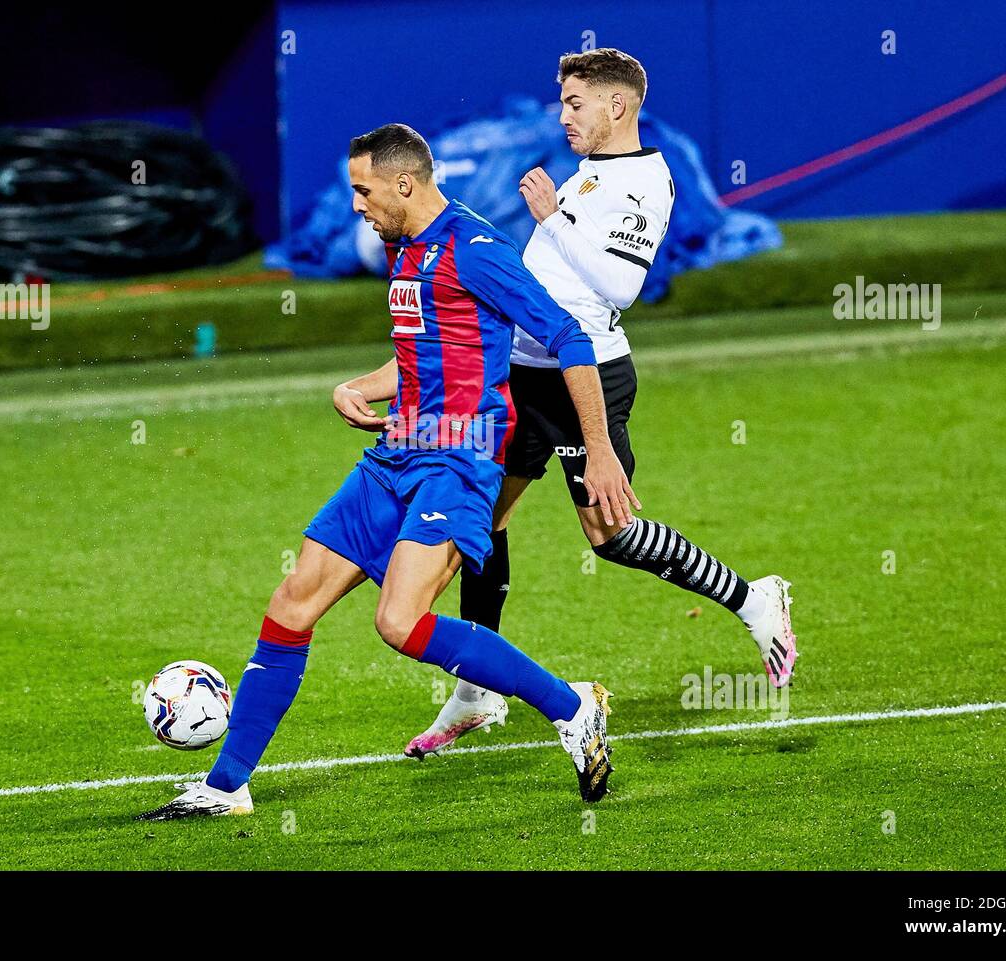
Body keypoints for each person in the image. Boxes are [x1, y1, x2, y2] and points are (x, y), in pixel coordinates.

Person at [136, 122, 641, 820]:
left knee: (400, 622)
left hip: (459, 459)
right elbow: (423, 354)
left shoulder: (476, 249)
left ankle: (572, 705)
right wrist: (364, 386)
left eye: (363, 189)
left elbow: (567, 337)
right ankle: (226, 787)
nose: (355, 205)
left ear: (406, 183)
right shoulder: (406, 248)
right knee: (292, 603)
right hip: (396, 452)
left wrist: (601, 448)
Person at [406, 49, 798, 759]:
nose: (563, 115)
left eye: (575, 102)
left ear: (617, 106)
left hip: (582, 378)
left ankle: (753, 597)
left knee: (609, 536)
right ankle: (475, 689)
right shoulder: (594, 170)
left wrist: (551, 219)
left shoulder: (646, 181)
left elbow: (617, 289)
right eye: (562, 101)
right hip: (525, 373)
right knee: (479, 518)